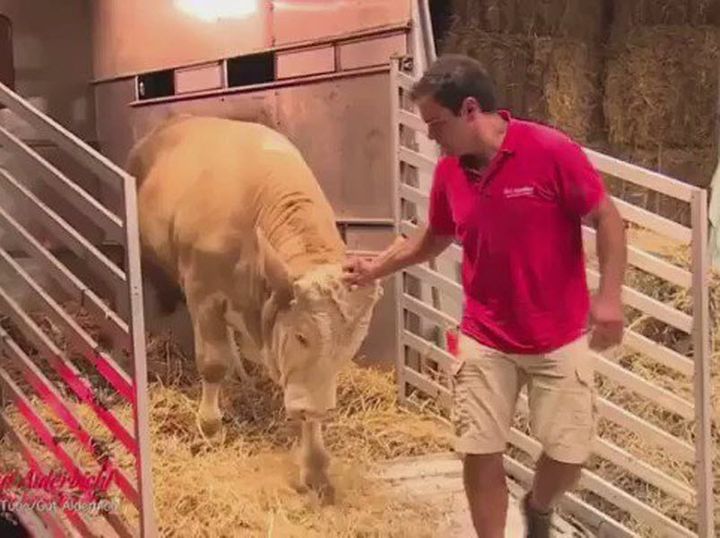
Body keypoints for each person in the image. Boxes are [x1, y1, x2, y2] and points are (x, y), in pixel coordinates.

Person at [342, 54, 627, 538]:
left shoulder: (549, 150)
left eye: (436, 123)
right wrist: (375, 268)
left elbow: (608, 218)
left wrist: (610, 298)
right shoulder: (449, 173)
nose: (430, 135)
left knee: (568, 453)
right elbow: (433, 237)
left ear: (470, 109)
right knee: (479, 447)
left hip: (557, 334)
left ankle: (538, 506)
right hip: (485, 335)